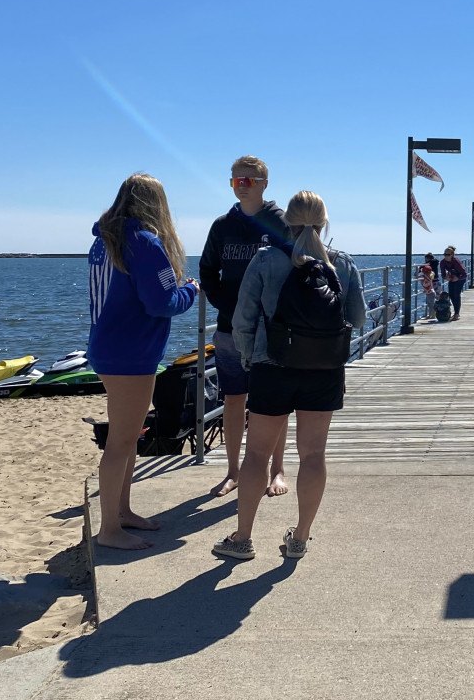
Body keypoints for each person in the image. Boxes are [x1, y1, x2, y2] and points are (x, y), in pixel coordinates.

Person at [215, 191, 365, 561]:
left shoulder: (265, 260)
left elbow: (242, 320)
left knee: (256, 457)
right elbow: (359, 319)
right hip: (323, 372)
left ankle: (243, 539)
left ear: (288, 222)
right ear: (324, 222)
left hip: (272, 369)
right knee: (313, 455)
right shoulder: (342, 264)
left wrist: (252, 361)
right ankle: (299, 538)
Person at [87, 174, 200, 551]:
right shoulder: (145, 243)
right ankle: (109, 530)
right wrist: (190, 290)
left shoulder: (105, 241)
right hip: (131, 353)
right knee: (120, 441)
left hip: (109, 347)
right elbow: (162, 302)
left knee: (129, 435)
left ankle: (122, 511)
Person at [198, 156, 291, 500]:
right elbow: (208, 272)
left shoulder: (281, 222)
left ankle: (277, 468)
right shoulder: (222, 226)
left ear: (265, 183)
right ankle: (233, 471)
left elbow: (296, 267)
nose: (241, 184)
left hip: (271, 330)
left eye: (249, 180)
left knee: (273, 402)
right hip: (229, 329)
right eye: (236, 180)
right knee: (233, 400)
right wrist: (230, 307)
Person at [440, 245, 467, 319]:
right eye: (444, 254)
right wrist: (446, 277)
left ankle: (457, 313)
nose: (446, 256)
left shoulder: (456, 261)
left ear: (452, 255)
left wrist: (458, 278)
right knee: (451, 295)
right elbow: (443, 274)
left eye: (448, 255)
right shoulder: (442, 262)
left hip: (460, 278)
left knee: (456, 294)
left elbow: (464, 274)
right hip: (452, 278)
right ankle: (455, 311)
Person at [419, 253, 440, 320]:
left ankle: (433, 314)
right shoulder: (434, 263)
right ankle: (433, 314)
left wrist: (423, 266)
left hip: (433, 283)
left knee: (432, 300)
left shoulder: (432, 263)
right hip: (435, 283)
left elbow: (420, 271)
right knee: (434, 299)